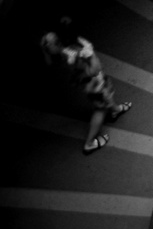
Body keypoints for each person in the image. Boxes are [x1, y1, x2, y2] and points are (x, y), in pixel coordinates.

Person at [39, 22, 131, 155]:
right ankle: (89, 143)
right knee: (100, 109)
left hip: (88, 83)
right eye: (54, 39)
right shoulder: (74, 55)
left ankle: (115, 110)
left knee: (107, 98)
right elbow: (95, 70)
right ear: (58, 42)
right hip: (95, 84)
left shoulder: (58, 56)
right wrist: (91, 53)